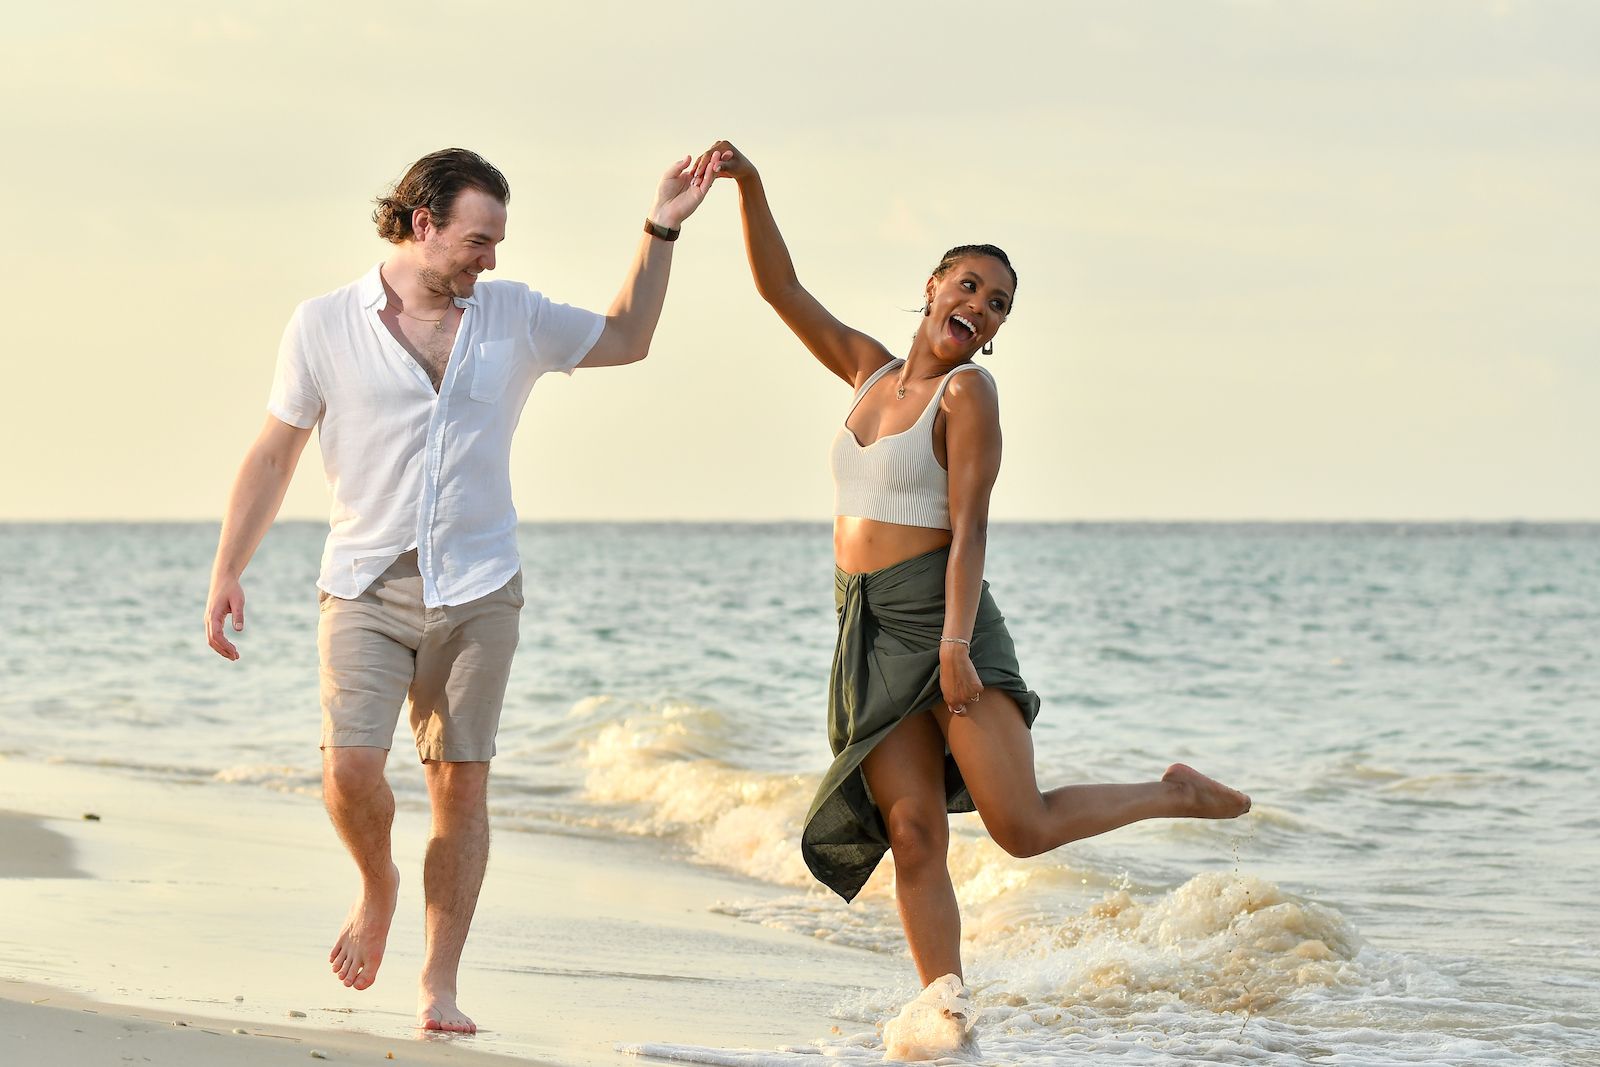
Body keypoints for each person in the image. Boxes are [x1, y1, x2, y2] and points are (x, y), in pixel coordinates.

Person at [701, 139, 1251, 1044]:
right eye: (968, 285)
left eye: (997, 304)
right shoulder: (869, 371)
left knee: (1022, 827)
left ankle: (1173, 792)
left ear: (994, 331)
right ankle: (947, 1005)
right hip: (869, 629)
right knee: (913, 831)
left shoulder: (969, 392)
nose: (979, 305)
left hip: (943, 619)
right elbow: (780, 289)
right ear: (932, 285)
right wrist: (749, 187)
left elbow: (970, 529)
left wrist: (955, 645)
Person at [203, 146, 727, 1033]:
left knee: (461, 789)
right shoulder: (323, 324)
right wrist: (227, 567)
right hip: (364, 581)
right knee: (351, 767)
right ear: (422, 225)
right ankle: (378, 887)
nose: (492, 259)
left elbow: (629, 338)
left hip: (480, 585)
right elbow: (273, 452)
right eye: (479, 240)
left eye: (499, 242)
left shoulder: (513, 315)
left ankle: (437, 984)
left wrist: (662, 225)